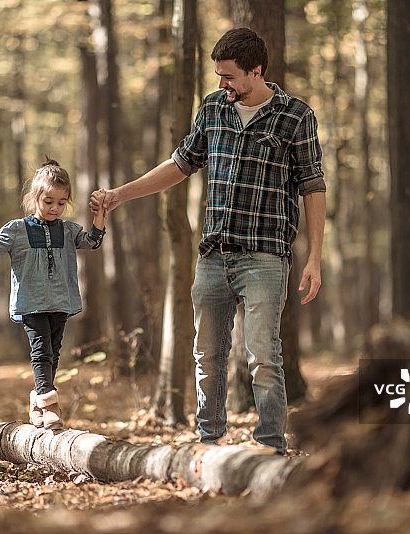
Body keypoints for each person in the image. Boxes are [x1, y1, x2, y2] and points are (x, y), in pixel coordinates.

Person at [90, 27, 326, 454]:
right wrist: (120, 194)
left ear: (256, 71)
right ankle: (208, 445)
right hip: (213, 254)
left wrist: (315, 257)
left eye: (230, 76)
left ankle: (271, 447)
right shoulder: (214, 108)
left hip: (266, 256)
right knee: (207, 359)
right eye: (218, 75)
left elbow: (313, 186)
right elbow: (180, 165)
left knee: (264, 359)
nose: (222, 84)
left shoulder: (296, 116)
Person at [0, 157, 106, 430]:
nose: (55, 208)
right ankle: (50, 407)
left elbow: (93, 242)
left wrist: (99, 216)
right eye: (48, 201)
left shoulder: (68, 229)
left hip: (60, 302)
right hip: (32, 304)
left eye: (61, 203)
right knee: (41, 352)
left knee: (53, 354)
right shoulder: (17, 230)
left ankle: (37, 403)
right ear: (34, 197)